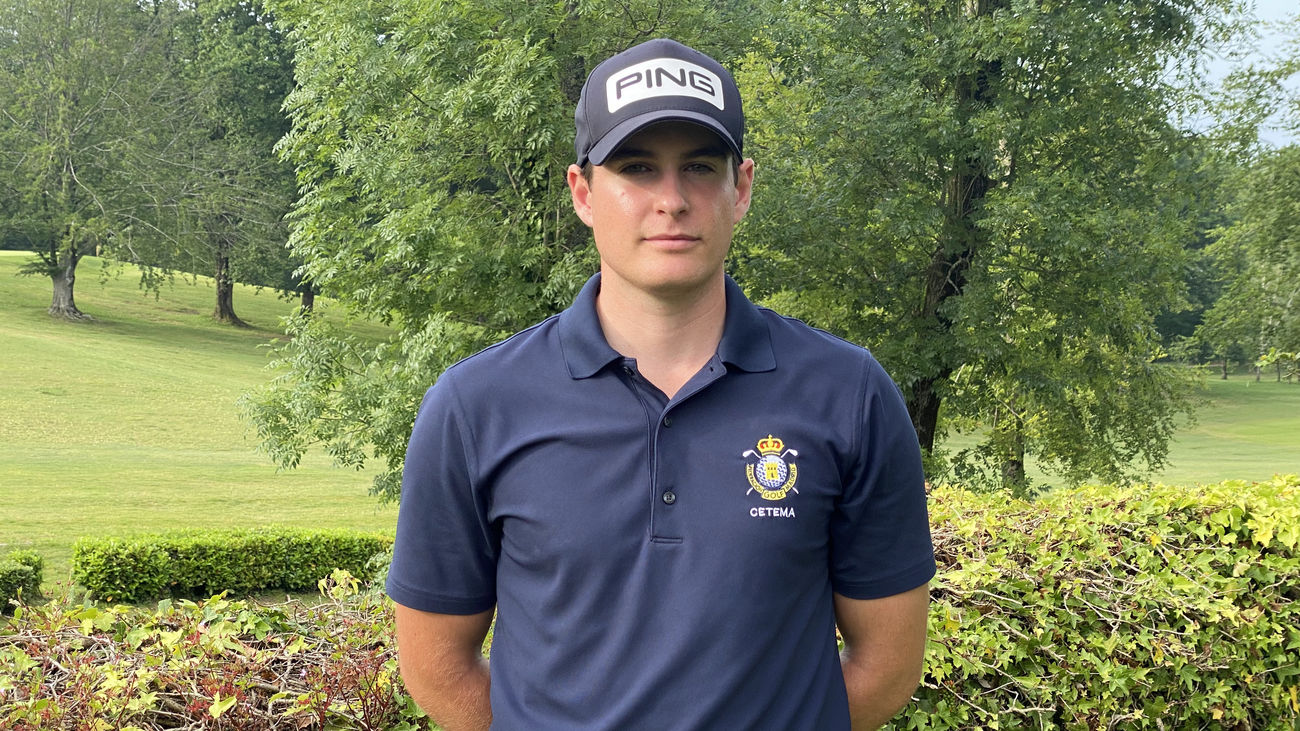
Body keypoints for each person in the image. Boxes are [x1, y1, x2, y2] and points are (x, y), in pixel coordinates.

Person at [386, 38, 935, 730]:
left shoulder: (849, 393)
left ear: (742, 188)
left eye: (700, 167)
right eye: (637, 168)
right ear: (583, 192)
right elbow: (437, 667)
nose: (671, 200)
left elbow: (887, 665)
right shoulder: (474, 406)